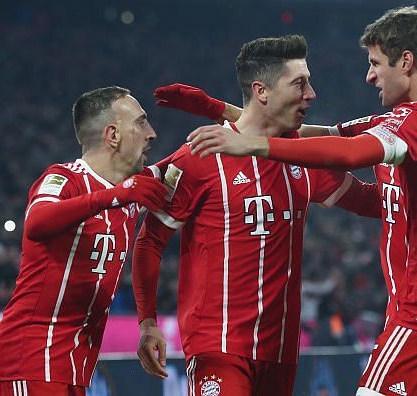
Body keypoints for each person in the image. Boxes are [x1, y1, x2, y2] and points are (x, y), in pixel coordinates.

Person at [186, 7, 417, 395]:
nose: (370, 75)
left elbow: (351, 152)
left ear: (406, 62)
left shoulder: (414, 122)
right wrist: (223, 111)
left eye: (375, 63)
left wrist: (253, 143)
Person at [132, 34, 381, 396]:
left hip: (280, 351)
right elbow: (150, 239)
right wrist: (147, 321)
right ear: (261, 91)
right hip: (219, 346)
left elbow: (370, 201)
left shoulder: (303, 157)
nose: (311, 94)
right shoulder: (201, 155)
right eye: (299, 83)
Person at [0, 86, 168, 396]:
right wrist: (117, 196)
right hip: (31, 359)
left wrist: (219, 111)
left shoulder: (135, 187)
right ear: (113, 135)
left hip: (73, 366)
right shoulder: (64, 179)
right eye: (140, 122)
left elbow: (196, 153)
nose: (151, 134)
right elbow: (37, 223)